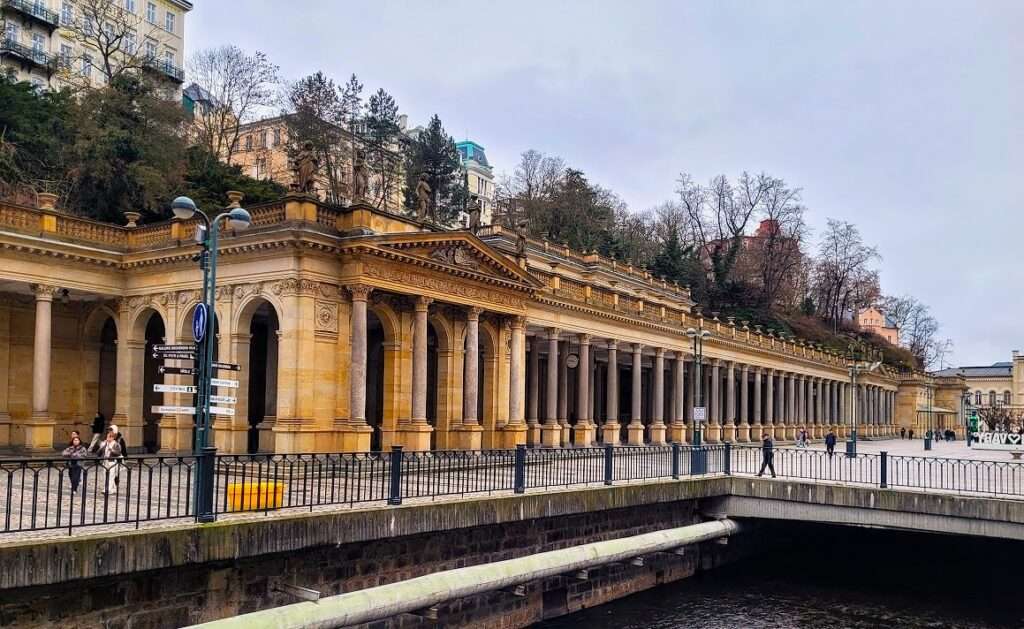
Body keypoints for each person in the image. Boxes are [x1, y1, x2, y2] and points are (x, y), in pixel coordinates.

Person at [92, 425, 122, 494]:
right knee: (105, 475)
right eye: (108, 436)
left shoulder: (116, 443)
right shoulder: (105, 443)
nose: (108, 437)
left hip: (112, 461)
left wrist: (111, 450)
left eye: (110, 436)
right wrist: (103, 445)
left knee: (111, 475)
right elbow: (99, 451)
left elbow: (118, 452)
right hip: (105, 461)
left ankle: (108, 489)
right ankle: (112, 488)